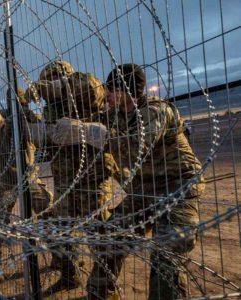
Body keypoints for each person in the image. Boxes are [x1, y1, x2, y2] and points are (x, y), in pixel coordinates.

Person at [87, 64, 205, 300]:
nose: (106, 94)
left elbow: (136, 146)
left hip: (179, 188)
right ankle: (100, 295)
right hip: (145, 191)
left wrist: (98, 135)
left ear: (123, 90)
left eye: (110, 88)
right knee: (109, 240)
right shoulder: (116, 113)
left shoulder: (155, 111)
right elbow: (89, 123)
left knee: (166, 254)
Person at [27, 61, 118, 291]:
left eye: (51, 80)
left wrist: (51, 87)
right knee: (60, 231)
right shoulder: (51, 109)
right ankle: (70, 276)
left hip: (91, 177)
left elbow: (91, 87)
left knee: (99, 236)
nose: (46, 92)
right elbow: (49, 148)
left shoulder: (83, 88)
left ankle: (104, 288)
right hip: (64, 181)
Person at [0, 88, 53, 279]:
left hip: (27, 177)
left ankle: (61, 258)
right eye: (14, 100)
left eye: (20, 101)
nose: (18, 104)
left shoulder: (30, 118)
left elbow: (42, 137)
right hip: (4, 180)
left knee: (49, 212)